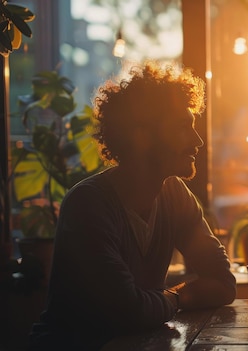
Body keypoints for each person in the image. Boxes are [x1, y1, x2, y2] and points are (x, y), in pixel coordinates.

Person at [29, 62, 236, 350]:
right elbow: (129, 312)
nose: (197, 141)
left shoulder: (175, 194)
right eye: (181, 128)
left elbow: (223, 283)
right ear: (142, 136)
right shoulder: (87, 205)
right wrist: (176, 298)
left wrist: (170, 298)